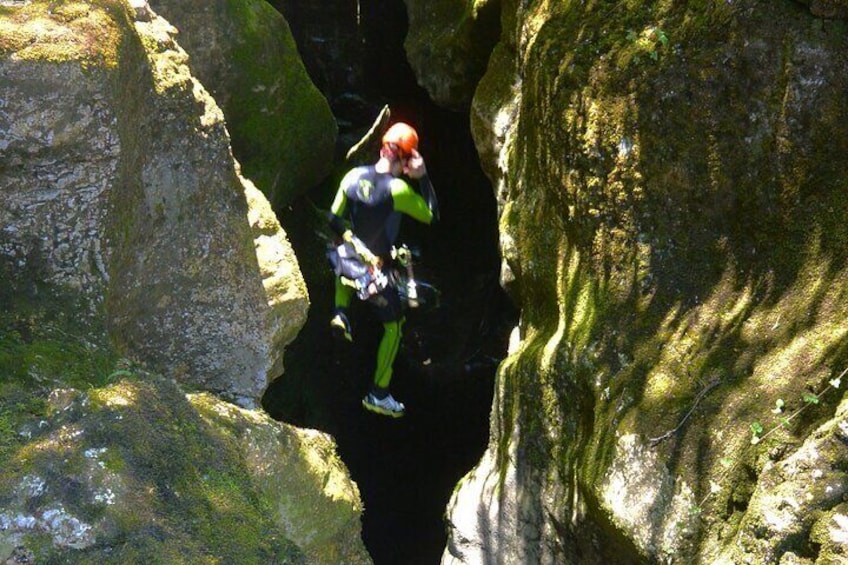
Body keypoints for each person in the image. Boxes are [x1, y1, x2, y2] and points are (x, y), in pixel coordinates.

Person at [327, 122, 439, 418]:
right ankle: (379, 393)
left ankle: (341, 313)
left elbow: (334, 219)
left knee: (342, 255)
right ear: (404, 160)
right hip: (371, 274)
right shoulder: (398, 189)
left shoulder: (352, 177)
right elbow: (431, 214)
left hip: (342, 262)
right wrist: (423, 176)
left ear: (381, 148)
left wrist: (354, 244)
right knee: (395, 327)